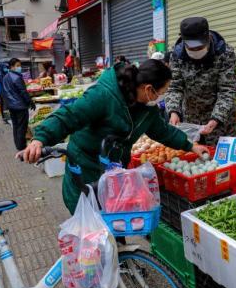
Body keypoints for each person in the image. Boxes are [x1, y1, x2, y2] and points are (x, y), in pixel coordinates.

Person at [21, 59, 209, 214]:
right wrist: (40, 139)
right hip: (86, 166)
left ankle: (117, 255)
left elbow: (163, 131)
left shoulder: (148, 109)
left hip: (113, 168)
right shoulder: (104, 95)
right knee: (89, 222)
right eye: (162, 92)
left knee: (114, 218)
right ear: (149, 89)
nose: (163, 96)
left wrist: (190, 145)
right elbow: (69, 116)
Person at [165, 17, 236, 145]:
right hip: (191, 120)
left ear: (208, 37)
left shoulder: (225, 53)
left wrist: (216, 119)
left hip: (220, 122)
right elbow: (174, 87)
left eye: (199, 47)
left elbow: (227, 90)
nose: (196, 51)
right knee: (193, 157)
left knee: (219, 161)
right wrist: (173, 111)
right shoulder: (176, 55)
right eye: (191, 48)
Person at [3, 58, 35, 150]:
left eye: (20, 65)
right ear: (12, 67)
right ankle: (21, 146)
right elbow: (23, 92)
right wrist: (30, 102)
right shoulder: (17, 77)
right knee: (22, 126)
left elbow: (4, 92)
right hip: (20, 106)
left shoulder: (5, 77)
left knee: (16, 126)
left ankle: (18, 144)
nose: (19, 67)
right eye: (17, 66)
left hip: (11, 106)